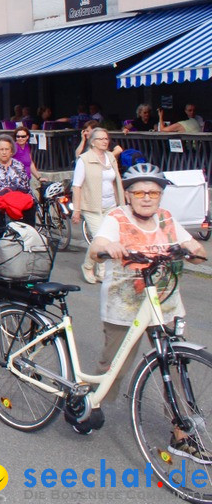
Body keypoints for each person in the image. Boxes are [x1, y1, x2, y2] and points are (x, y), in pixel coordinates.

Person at [88, 164, 207, 464]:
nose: (146, 197)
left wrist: (194, 252)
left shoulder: (166, 219)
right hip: (125, 306)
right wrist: (109, 247)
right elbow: (97, 246)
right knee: (113, 365)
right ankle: (91, 402)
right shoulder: (116, 217)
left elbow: (192, 245)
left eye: (153, 192)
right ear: (128, 194)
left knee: (175, 365)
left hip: (164, 303)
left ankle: (181, 432)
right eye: (139, 191)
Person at [72, 127, 125, 285]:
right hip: (92, 206)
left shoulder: (110, 157)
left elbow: (116, 180)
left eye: (106, 139)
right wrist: (77, 209)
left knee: (110, 239)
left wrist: (122, 201)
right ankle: (89, 266)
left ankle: (101, 271)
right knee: (99, 239)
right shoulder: (85, 159)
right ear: (93, 142)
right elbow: (77, 186)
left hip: (111, 204)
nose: (105, 141)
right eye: (101, 139)